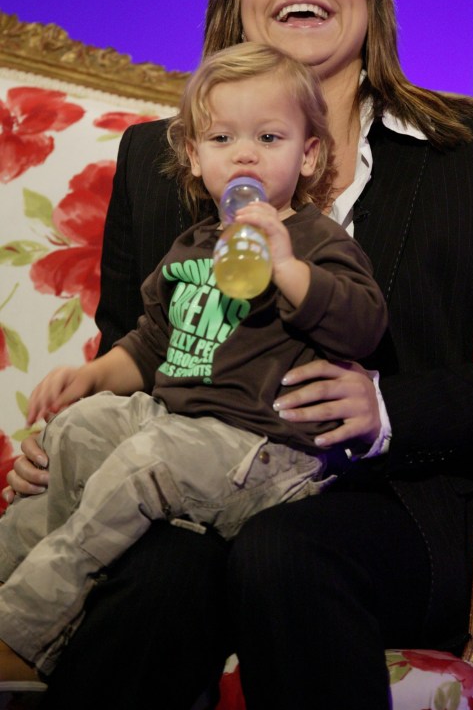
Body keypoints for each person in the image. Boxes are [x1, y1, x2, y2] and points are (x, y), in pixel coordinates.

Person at [6, 0, 473, 710]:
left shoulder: (468, 152)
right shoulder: (156, 159)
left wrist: (389, 408)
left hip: (390, 506)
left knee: (281, 552)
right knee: (171, 564)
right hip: (191, 470)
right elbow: (135, 342)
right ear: (235, 3)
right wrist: (69, 440)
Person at [0, 42, 387, 682]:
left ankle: (25, 626)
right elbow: (152, 345)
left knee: (144, 465)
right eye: (223, 138)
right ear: (194, 156)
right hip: (173, 426)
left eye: (269, 136)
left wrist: (287, 267)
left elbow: (363, 325)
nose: (244, 154)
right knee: (80, 431)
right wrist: (94, 378)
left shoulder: (318, 242)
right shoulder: (193, 244)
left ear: (309, 153)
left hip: (259, 453)